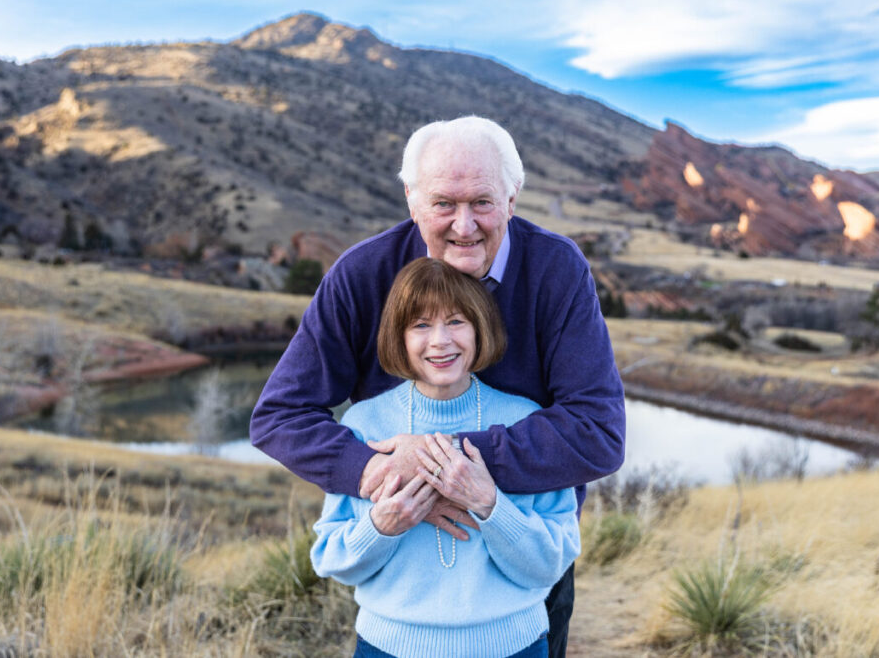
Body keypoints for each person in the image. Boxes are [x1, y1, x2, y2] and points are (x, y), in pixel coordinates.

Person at [251, 116, 625, 655]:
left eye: (483, 203)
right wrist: (380, 471)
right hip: (402, 586)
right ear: (411, 199)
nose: (464, 226)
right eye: (444, 204)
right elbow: (280, 416)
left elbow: (597, 433)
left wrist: (439, 466)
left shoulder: (555, 270)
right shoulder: (363, 275)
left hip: (520, 581)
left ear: (513, 198)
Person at [311, 258, 581, 657]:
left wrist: (489, 504)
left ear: (479, 329)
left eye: (456, 321)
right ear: (398, 336)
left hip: (513, 647)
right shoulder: (365, 423)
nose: (440, 341)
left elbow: (551, 563)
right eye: (421, 325)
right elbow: (331, 559)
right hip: (388, 648)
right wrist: (382, 525)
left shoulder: (527, 420)